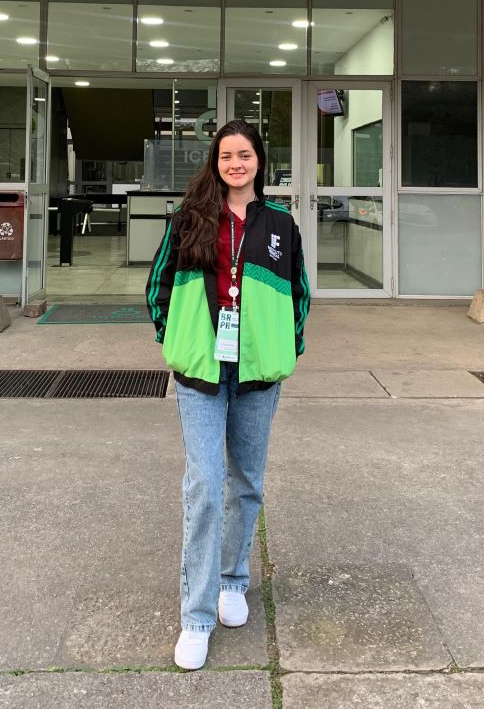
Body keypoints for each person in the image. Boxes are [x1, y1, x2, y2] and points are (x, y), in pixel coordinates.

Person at [146, 119, 310, 671]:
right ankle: (195, 616)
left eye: (244, 154)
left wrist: (289, 345)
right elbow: (159, 285)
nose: (235, 163)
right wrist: (173, 337)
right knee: (205, 485)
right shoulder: (191, 217)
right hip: (200, 373)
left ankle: (233, 581)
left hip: (258, 374)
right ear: (215, 162)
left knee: (247, 481)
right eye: (225, 156)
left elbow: (301, 290)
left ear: (259, 160)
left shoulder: (281, 223)